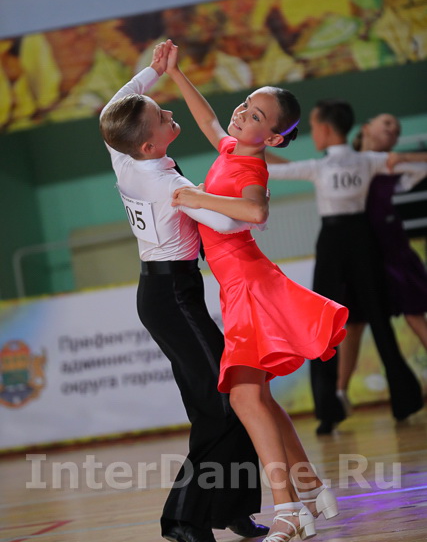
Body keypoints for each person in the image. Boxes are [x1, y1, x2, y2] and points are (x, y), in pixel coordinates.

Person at [167, 41, 348, 542]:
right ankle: (309, 490)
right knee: (259, 399)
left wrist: (196, 196)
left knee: (246, 399)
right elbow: (208, 120)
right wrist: (176, 73)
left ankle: (288, 511)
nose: (241, 113)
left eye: (255, 116)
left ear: (271, 138)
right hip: (240, 285)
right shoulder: (233, 149)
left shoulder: (252, 167)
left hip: (248, 285)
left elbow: (256, 211)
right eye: (246, 105)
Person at [99, 41, 269, 542]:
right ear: (149, 146)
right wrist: (245, 196)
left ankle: (233, 509)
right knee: (224, 402)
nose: (169, 113)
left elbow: (115, 106)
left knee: (221, 401)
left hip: (168, 293)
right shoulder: (162, 182)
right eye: (161, 116)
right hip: (171, 296)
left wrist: (152, 73)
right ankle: (182, 519)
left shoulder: (123, 152)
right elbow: (227, 222)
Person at [266, 100, 425, 435]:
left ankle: (329, 410)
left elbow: (276, 170)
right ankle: (404, 399)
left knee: (325, 323)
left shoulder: (324, 166)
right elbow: (283, 168)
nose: (312, 132)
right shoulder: (366, 161)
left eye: (313, 126)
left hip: (335, 242)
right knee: (378, 321)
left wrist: (246, 146)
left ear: (324, 129)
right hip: (362, 241)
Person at [337, 113, 427, 407]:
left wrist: (403, 158)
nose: (393, 130)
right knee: (354, 324)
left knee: (415, 314)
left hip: (393, 251)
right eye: (387, 123)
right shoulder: (343, 162)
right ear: (366, 127)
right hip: (358, 254)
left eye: (397, 130)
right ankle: (339, 394)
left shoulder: (393, 166)